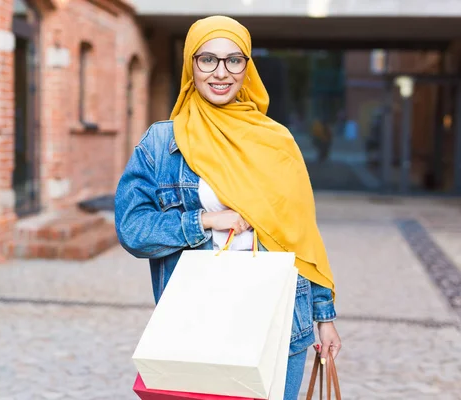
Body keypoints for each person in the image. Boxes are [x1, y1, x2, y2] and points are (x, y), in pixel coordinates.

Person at [115, 16, 341, 400]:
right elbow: (133, 230)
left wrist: (324, 317)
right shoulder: (162, 142)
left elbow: (302, 236)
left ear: (246, 67)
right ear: (192, 65)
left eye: (234, 60)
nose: (221, 72)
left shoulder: (276, 141)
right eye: (208, 60)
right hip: (198, 324)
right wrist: (204, 220)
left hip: (280, 324)